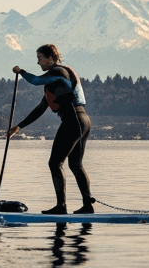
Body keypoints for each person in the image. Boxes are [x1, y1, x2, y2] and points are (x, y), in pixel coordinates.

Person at [8, 44, 94, 215]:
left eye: (40, 58)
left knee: (55, 163)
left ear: (51, 58)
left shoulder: (59, 72)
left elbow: (35, 80)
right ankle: (87, 205)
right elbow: (41, 107)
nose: (38, 62)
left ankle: (61, 206)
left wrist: (21, 72)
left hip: (73, 121)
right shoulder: (54, 82)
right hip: (82, 121)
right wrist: (19, 126)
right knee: (75, 165)